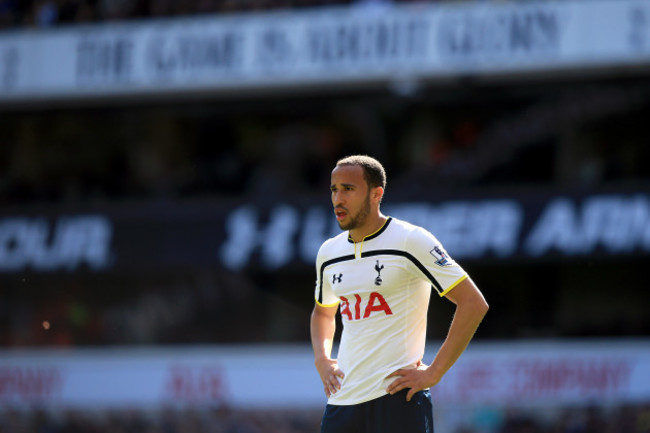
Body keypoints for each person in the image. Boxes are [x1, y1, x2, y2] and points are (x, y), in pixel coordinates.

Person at [310, 155, 489, 433]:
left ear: (376, 194)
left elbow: (473, 303)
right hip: (342, 401)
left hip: (398, 398)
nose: (338, 199)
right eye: (334, 189)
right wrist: (322, 359)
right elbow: (323, 311)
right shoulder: (329, 252)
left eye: (348, 188)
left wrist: (434, 371)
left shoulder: (410, 240)